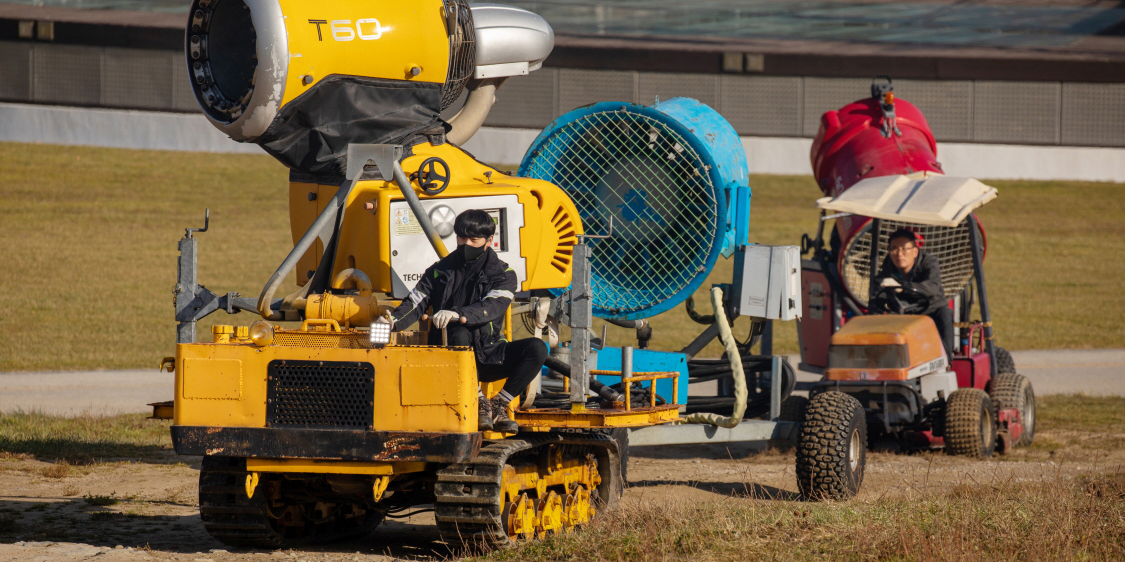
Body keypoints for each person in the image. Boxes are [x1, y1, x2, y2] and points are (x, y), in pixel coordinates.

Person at [386, 209, 547, 433]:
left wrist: (457, 313)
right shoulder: (438, 270)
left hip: (488, 352)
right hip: (448, 354)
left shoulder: (504, 274)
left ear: (490, 241)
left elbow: (493, 306)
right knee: (458, 333)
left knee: (537, 348)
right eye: (462, 238)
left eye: (473, 239)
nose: (466, 244)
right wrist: (391, 322)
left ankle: (498, 405)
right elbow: (416, 302)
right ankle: (479, 402)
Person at [869, 228, 954, 358]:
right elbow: (875, 302)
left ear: (915, 251)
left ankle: (946, 359)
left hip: (930, 310)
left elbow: (932, 288)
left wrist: (901, 287)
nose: (899, 254)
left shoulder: (929, 262)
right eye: (894, 249)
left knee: (945, 314)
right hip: (902, 313)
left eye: (904, 249)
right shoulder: (885, 273)